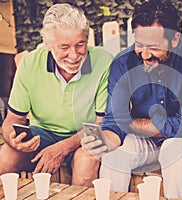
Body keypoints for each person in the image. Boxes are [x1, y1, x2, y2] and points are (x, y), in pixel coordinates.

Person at [80, 0, 182, 198]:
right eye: (139, 45)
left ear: (174, 39)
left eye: (154, 47)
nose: (145, 54)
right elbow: (114, 120)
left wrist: (132, 124)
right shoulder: (124, 62)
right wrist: (107, 141)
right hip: (143, 140)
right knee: (115, 157)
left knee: (173, 151)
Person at [0, 3, 113, 187]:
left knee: (86, 160)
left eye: (80, 44)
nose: (74, 55)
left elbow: (102, 126)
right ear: (49, 45)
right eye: (64, 47)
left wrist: (63, 147)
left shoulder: (104, 62)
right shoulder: (30, 64)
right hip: (43, 136)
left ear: (86, 40)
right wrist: (12, 138)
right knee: (6, 156)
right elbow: (12, 120)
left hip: (87, 136)